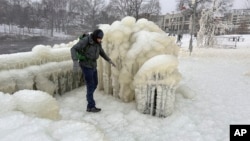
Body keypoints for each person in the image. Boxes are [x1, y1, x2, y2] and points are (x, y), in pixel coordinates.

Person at [71, 29, 116, 113]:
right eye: (99, 38)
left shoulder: (98, 43)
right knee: (90, 84)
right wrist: (75, 61)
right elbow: (73, 49)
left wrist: (109, 60)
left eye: (101, 39)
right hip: (85, 65)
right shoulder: (86, 40)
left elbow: (102, 53)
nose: (100, 40)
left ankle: (89, 97)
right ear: (95, 37)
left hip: (93, 65)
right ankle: (91, 106)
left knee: (95, 83)